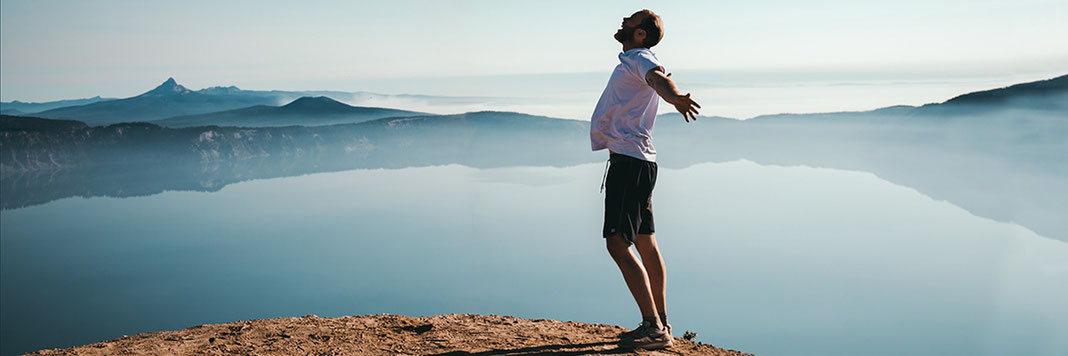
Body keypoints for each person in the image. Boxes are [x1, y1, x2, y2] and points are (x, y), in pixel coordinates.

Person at [590, 9, 700, 350]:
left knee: (617, 243)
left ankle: (653, 328)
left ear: (640, 34)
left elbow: (658, 79)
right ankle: (661, 322)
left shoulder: (640, 58)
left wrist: (675, 97)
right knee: (644, 240)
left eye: (631, 20)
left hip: (629, 162)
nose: (623, 20)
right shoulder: (635, 59)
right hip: (638, 161)